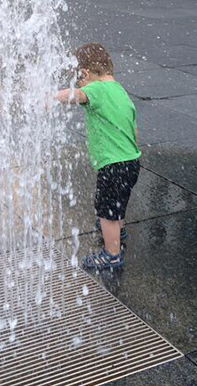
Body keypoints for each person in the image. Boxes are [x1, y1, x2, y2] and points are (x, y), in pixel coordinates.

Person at [55, 43, 141, 272]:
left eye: (79, 79)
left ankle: (112, 254)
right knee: (117, 202)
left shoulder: (97, 90)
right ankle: (118, 229)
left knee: (106, 209)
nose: (79, 84)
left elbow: (79, 95)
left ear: (84, 73)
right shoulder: (120, 91)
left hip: (113, 165)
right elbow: (134, 128)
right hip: (131, 161)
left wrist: (52, 98)